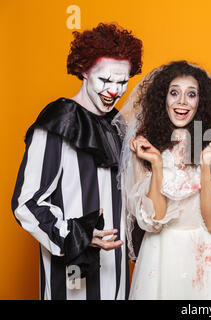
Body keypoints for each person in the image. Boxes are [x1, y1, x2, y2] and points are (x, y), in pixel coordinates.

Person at [11, 23, 143, 300]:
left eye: (122, 82)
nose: (113, 91)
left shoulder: (118, 126)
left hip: (116, 270)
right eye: (105, 80)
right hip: (72, 268)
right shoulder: (58, 122)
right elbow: (27, 202)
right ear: (84, 71)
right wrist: (78, 236)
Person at [118, 60, 211, 299]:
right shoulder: (144, 148)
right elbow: (156, 220)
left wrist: (205, 163)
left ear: (200, 103)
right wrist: (157, 165)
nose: (182, 101)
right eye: (174, 93)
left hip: (204, 258)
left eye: (191, 94)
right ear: (163, 99)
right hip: (160, 256)